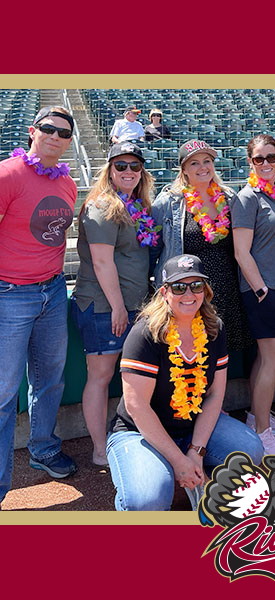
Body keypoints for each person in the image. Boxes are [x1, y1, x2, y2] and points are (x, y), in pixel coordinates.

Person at [106, 254, 263, 510]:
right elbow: (138, 408)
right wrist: (179, 461)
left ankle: (196, 481)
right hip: (139, 433)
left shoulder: (214, 328)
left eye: (196, 285)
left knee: (249, 449)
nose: (188, 294)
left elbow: (214, 395)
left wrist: (196, 451)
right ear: (165, 293)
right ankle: (150, 481)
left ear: (206, 290)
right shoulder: (145, 333)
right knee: (147, 499)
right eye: (179, 287)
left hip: (190, 428)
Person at [0, 106, 78, 504]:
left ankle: (43, 450)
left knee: (49, 380)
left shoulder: (67, 182)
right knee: (3, 392)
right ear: (32, 132)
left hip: (51, 292)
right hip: (10, 294)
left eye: (63, 133)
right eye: (48, 129)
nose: (55, 136)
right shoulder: (7, 174)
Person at [71, 142, 157, 466]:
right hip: (104, 306)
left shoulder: (136, 205)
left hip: (135, 305)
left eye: (135, 166)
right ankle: (98, 448)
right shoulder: (101, 206)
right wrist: (119, 308)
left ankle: (130, 434)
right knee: (101, 375)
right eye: (121, 165)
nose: (129, 172)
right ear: (109, 170)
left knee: (133, 376)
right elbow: (103, 263)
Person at [231, 134, 275, 454]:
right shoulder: (247, 198)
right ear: (250, 162)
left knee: (266, 357)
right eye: (259, 159)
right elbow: (241, 252)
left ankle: (257, 417)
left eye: (271, 157)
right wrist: (261, 289)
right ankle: (261, 432)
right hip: (264, 290)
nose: (266, 164)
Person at [150, 139, 252, 352]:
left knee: (224, 355)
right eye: (194, 163)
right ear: (184, 169)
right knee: (193, 354)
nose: (202, 167)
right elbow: (153, 250)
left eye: (207, 161)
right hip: (189, 294)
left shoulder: (229, 198)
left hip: (227, 289)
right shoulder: (168, 202)